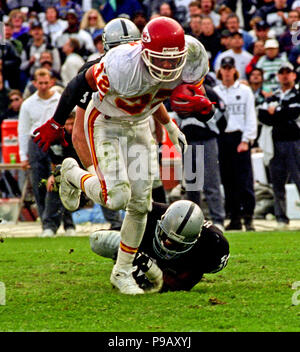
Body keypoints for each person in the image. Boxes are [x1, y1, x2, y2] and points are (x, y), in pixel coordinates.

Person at [33, 17, 212, 294]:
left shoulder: (192, 56)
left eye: (172, 61)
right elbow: (80, 83)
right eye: (159, 60)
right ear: (143, 51)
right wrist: (57, 122)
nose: (166, 66)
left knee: (141, 204)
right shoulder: (120, 65)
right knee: (117, 197)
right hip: (106, 122)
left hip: (140, 124)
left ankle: (122, 271)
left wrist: (176, 121)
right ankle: (71, 173)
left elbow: (156, 95)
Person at [90, 200, 230, 292]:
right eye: (165, 237)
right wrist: (130, 254)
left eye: (175, 243)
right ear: (161, 222)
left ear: (194, 240)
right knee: (107, 241)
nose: (167, 244)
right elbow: (97, 241)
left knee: (164, 285)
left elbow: (180, 283)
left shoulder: (213, 245)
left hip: (177, 266)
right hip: (143, 249)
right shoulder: (150, 215)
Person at [214, 56, 257, 231]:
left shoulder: (245, 91)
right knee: (228, 180)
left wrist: (247, 140)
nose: (227, 71)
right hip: (223, 139)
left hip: (239, 138)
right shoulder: (215, 91)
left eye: (230, 68)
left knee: (244, 180)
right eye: (224, 68)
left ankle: (248, 216)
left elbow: (250, 116)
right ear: (220, 71)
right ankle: (234, 217)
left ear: (234, 70)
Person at [18, 68, 62, 237]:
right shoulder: (28, 104)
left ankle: (64, 222)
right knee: (39, 184)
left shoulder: (59, 99)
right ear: (35, 83)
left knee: (59, 182)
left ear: (51, 82)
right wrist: (23, 156)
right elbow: (22, 130)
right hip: (36, 143)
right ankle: (46, 225)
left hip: (55, 141)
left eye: (46, 82)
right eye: (40, 83)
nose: (43, 86)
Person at [258, 62, 300, 229]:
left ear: (293, 75)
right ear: (278, 76)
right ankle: (281, 218)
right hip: (275, 143)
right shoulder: (273, 96)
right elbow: (262, 116)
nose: (284, 75)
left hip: (294, 142)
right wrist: (281, 113)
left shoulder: (297, 94)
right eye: (281, 72)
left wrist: (276, 113)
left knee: (299, 178)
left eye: (287, 72)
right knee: (277, 183)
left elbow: (294, 112)